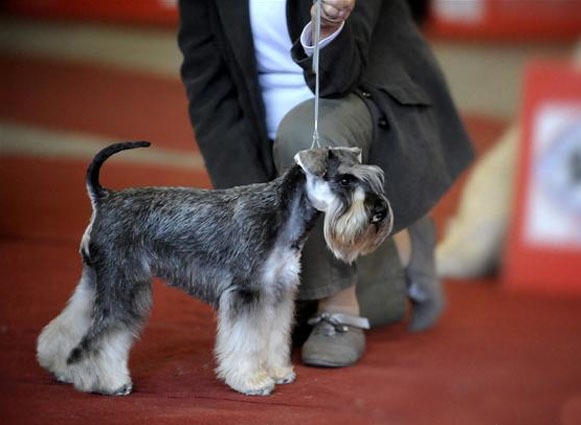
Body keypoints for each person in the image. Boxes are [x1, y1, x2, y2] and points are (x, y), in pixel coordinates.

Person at [178, 0, 473, 367]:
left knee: (303, 137)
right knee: (283, 308)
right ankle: (401, 246)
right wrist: (251, 207)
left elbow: (338, 79)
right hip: (260, 136)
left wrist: (328, 30)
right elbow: (209, 83)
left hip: (358, 100)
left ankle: (340, 309)